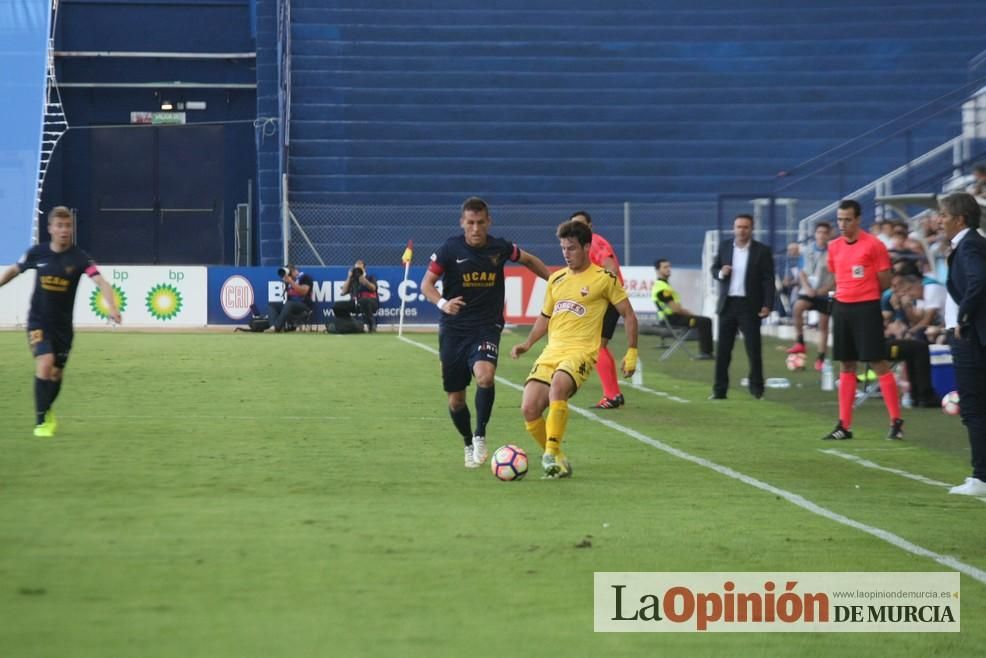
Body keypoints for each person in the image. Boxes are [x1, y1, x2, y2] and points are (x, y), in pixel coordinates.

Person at [421, 197, 550, 469]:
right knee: (456, 400)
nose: (476, 228)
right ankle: (468, 442)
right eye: (470, 222)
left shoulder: (500, 247)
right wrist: (443, 303)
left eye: (481, 222)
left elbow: (527, 259)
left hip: (486, 327)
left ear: (488, 222)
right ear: (462, 223)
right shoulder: (449, 249)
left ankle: (480, 434)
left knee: (485, 376)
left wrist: (555, 281)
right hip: (454, 330)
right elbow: (427, 285)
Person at [511, 219, 638, 478]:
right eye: (563, 249)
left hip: (581, 352)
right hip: (552, 352)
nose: (566, 254)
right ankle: (558, 459)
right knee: (529, 408)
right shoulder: (556, 279)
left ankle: (549, 453)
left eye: (571, 248)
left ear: (587, 247)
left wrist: (632, 351)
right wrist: (527, 343)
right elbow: (545, 317)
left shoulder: (604, 279)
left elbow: (629, 314)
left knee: (558, 385)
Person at [0, 206, 122, 437]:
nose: (64, 230)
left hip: (63, 329)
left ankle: (47, 410)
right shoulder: (37, 253)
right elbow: (14, 270)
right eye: (59, 226)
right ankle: (41, 423)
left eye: (67, 226)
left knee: (56, 374)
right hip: (38, 322)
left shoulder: (80, 258)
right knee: (45, 362)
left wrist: (112, 307)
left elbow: (101, 282)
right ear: (50, 229)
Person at [822, 199, 903, 441]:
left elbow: (885, 280)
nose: (843, 224)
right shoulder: (834, 246)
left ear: (858, 219)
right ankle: (844, 425)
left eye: (847, 219)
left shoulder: (874, 245)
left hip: (866, 308)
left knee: (877, 362)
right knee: (846, 364)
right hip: (842, 307)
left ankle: (896, 421)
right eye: (840, 219)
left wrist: (865, 292)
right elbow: (837, 274)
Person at [938, 193, 986, 496]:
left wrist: (964, 317)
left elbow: (979, 280)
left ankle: (981, 477)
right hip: (972, 334)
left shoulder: (969, 245)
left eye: (944, 215)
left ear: (960, 219)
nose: (939, 221)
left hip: (969, 337)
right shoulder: (972, 243)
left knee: (973, 405)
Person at [709, 214, 775, 400]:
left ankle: (757, 390)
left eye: (745, 227)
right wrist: (721, 273)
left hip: (749, 305)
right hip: (728, 304)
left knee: (753, 349)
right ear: (733, 228)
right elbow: (714, 269)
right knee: (723, 350)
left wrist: (768, 304)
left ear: (751, 229)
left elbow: (768, 280)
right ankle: (719, 391)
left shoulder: (761, 251)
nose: (741, 230)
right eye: (738, 227)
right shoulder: (724, 247)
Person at [569, 211, 628, 409]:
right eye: (573, 225)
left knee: (596, 346)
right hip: (608, 298)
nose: (576, 229)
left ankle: (611, 396)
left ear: (590, 227)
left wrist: (602, 291)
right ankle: (614, 394)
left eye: (580, 225)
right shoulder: (585, 245)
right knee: (600, 344)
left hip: (608, 299)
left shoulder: (593, 242)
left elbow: (609, 266)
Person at [786, 222, 834, 371]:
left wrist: (824, 290)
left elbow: (836, 275)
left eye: (825, 233)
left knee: (823, 325)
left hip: (824, 293)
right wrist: (806, 288)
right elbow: (802, 272)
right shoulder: (807, 251)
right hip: (809, 291)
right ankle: (800, 341)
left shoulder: (833, 251)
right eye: (819, 232)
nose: (821, 235)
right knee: (797, 308)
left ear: (829, 235)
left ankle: (820, 359)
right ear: (815, 234)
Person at [652, 258, 713, 359]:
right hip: (673, 319)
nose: (668, 269)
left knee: (704, 321)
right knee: (705, 321)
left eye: (669, 266)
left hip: (673, 318)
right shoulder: (662, 288)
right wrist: (690, 314)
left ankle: (706, 353)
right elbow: (676, 309)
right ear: (658, 270)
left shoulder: (663, 285)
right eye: (665, 267)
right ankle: (705, 353)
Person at [332, 259, 379, 332]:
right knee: (337, 305)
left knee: (364, 301)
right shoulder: (353, 280)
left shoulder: (370, 277)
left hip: (370, 302)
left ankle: (371, 324)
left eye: (359, 269)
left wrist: (364, 281)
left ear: (364, 269)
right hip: (356, 302)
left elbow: (374, 288)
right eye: (356, 269)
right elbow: (343, 292)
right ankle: (348, 324)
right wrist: (349, 277)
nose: (358, 271)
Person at [268, 264, 313, 332]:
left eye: (289, 274)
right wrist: (287, 282)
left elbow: (304, 291)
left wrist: (291, 282)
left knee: (289, 304)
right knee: (273, 304)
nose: (288, 276)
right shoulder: (290, 281)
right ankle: (273, 327)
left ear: (294, 271)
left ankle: (276, 327)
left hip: (303, 305)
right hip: (290, 305)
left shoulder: (305, 277)